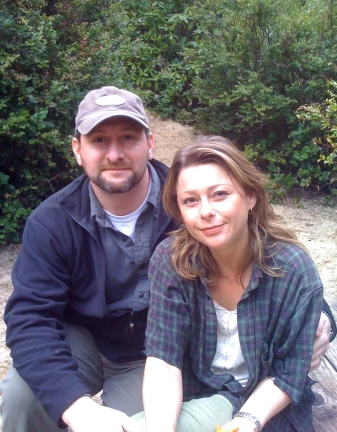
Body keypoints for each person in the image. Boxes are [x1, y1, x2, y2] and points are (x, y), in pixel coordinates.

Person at [0, 88, 335, 432]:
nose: (114, 154)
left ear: (149, 143)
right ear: (78, 150)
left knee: (140, 423)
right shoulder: (52, 221)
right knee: (21, 398)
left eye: (128, 137)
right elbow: (29, 318)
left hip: (152, 354)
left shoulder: (191, 201)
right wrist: (77, 408)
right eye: (99, 140)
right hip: (81, 340)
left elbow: (271, 258)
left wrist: (320, 318)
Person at [135, 136, 332, 432]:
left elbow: (290, 371)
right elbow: (164, 359)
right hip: (199, 395)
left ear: (250, 197)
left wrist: (247, 420)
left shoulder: (292, 269)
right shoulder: (170, 261)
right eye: (190, 200)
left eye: (219, 194)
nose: (205, 211)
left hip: (271, 408)